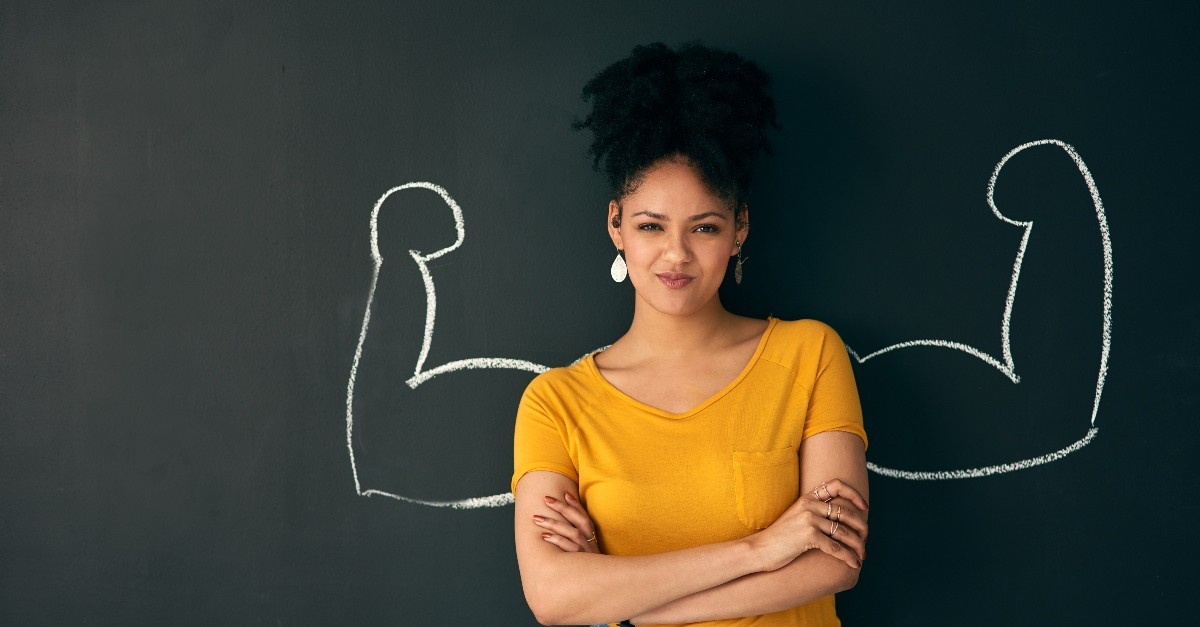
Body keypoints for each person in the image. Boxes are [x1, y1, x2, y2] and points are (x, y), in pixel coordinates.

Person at [512, 42, 869, 627]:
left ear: (740, 228)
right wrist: (762, 548)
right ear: (616, 226)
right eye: (651, 225)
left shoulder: (808, 354)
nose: (675, 254)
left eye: (704, 226)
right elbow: (553, 597)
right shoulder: (555, 404)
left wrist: (638, 604)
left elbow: (835, 561)